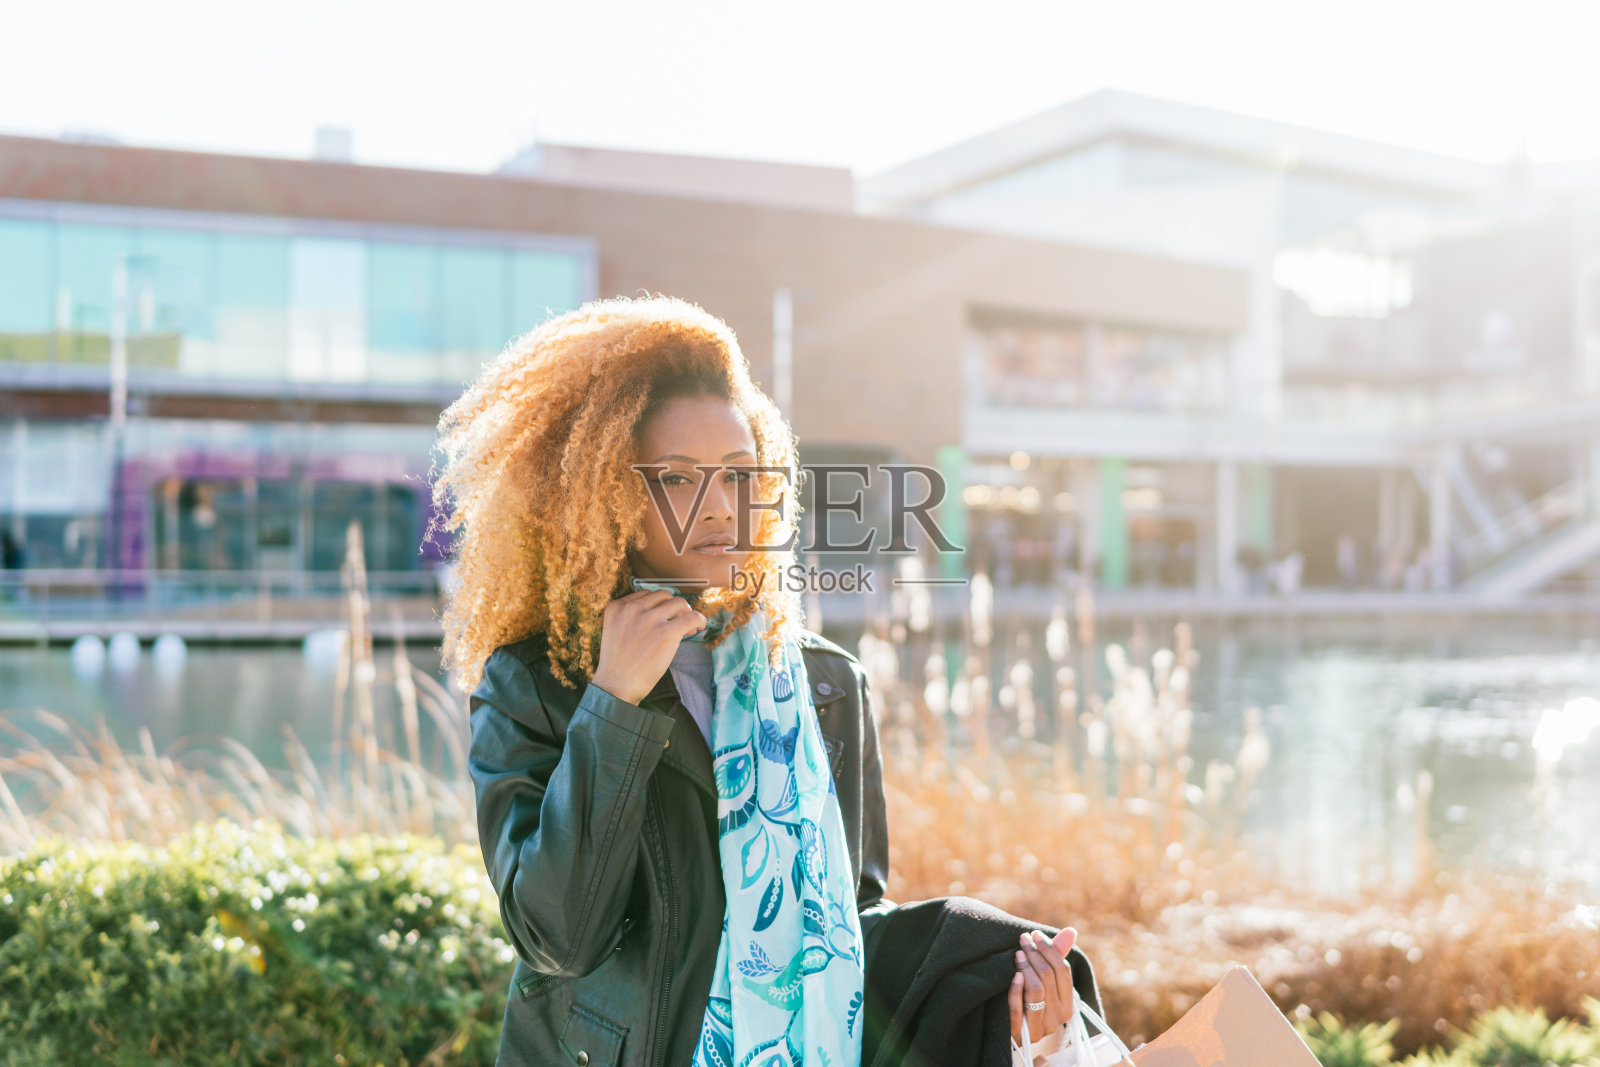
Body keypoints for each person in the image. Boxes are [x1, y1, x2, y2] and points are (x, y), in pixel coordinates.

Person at [433, 296, 1104, 1067]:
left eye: (738, 474)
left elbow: (842, 923)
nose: (721, 508)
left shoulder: (826, 681)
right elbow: (557, 936)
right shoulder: (537, 680)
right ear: (607, 496)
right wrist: (612, 705)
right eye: (677, 479)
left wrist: (1007, 998)